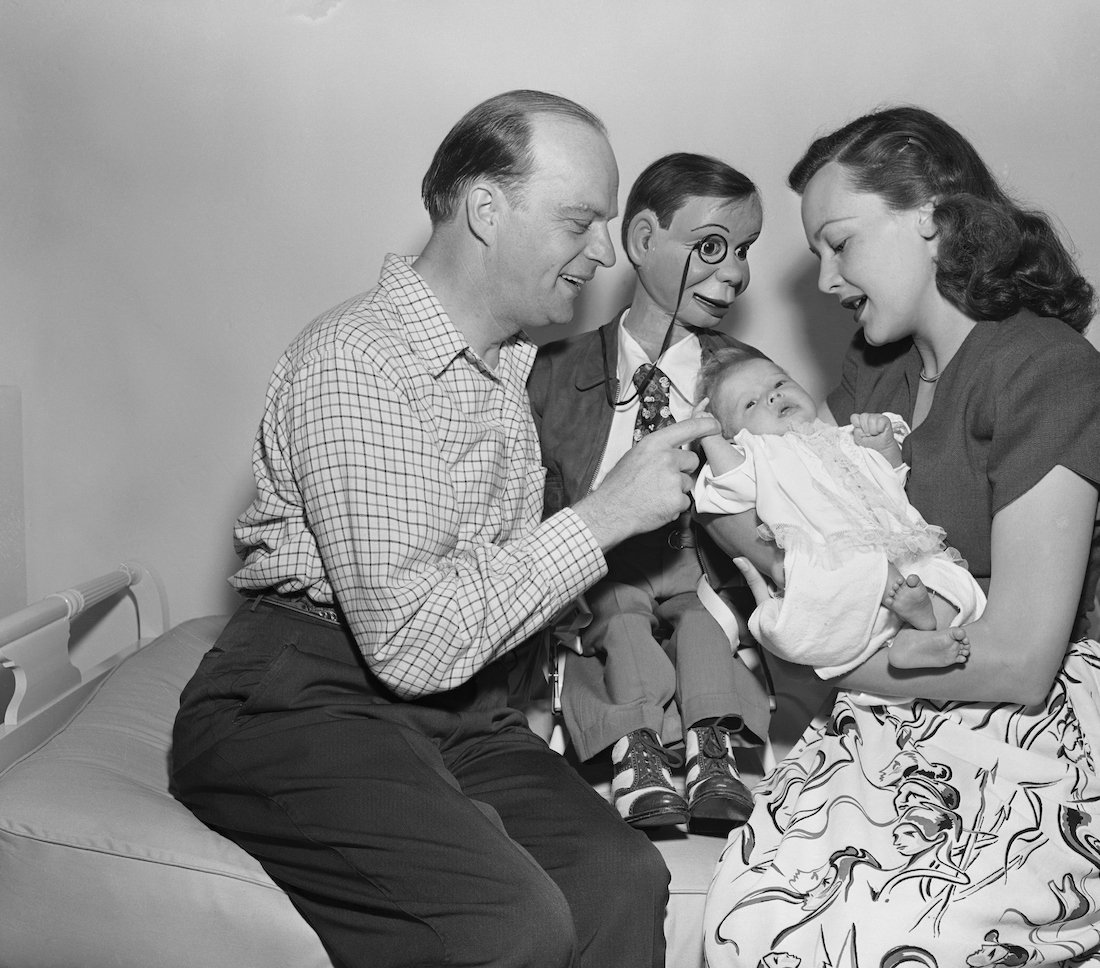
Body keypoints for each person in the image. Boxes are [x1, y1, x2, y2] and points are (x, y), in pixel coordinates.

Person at [171, 90, 721, 968]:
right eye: (580, 219)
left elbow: (487, 597)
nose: (607, 250)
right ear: (485, 208)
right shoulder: (360, 358)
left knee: (624, 878)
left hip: (463, 714)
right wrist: (608, 513)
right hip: (304, 699)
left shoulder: (507, 371)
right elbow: (412, 641)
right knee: (509, 924)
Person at [701, 105, 1100, 966]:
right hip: (896, 706)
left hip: (1037, 713)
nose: (829, 277)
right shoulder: (871, 372)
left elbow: (1023, 659)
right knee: (748, 913)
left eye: (839, 242)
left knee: (887, 932)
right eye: (816, 254)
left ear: (931, 212)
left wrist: (827, 649)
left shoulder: (1047, 368)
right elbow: (798, 540)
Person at [528, 153, 772, 829]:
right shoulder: (549, 374)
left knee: (703, 623)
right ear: (641, 241)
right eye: (712, 247)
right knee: (617, 620)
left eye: (744, 252)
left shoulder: (754, 380)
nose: (735, 273)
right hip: (600, 577)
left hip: (703, 574)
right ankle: (636, 753)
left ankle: (710, 746)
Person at [691, 344, 984, 678]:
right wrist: (710, 440)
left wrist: (884, 449)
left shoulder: (843, 436)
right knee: (842, 581)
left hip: (901, 553)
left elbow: (889, 486)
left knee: (954, 580)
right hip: (837, 562)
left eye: (778, 384)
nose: (772, 397)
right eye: (751, 402)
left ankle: (918, 633)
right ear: (733, 437)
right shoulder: (758, 454)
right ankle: (909, 622)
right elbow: (730, 484)